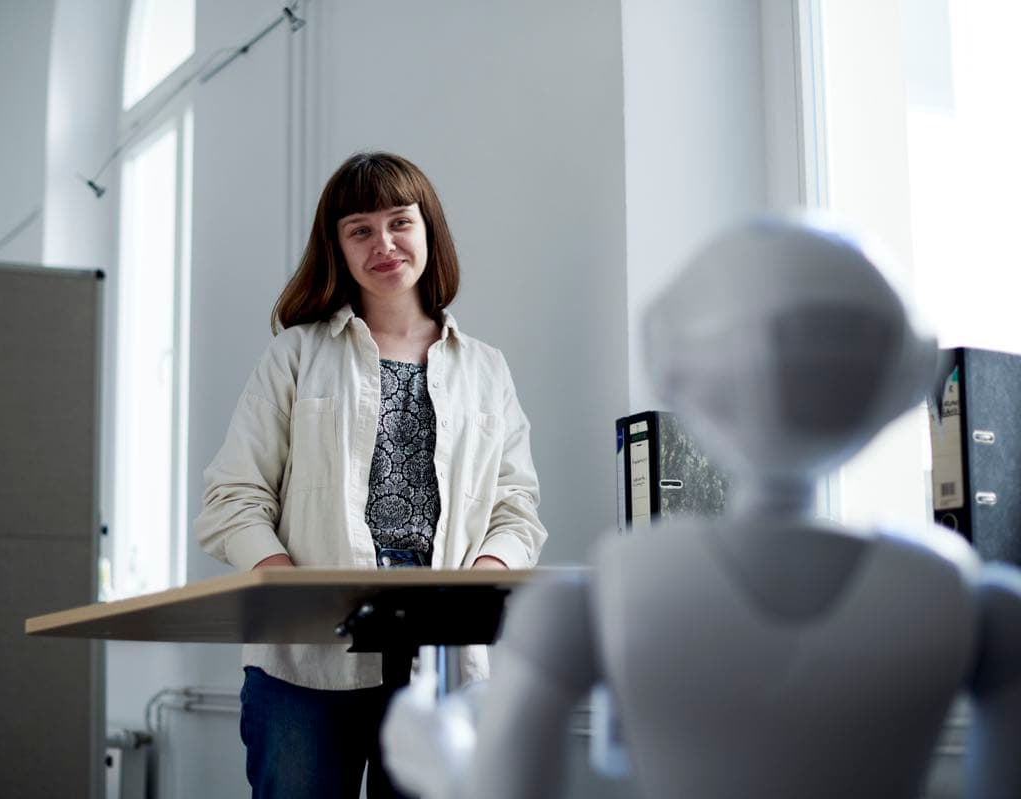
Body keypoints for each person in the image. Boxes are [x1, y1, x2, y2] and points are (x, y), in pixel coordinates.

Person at [380, 214, 1021, 799]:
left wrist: (436, 753)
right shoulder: (971, 601)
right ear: (907, 382)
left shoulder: (591, 601)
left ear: (672, 370)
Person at [193, 151, 548, 799]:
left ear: (428, 230)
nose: (382, 243)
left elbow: (517, 507)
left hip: (439, 664)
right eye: (359, 229)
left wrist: (483, 580)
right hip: (305, 663)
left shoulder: (486, 370)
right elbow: (232, 498)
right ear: (337, 247)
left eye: (399, 222)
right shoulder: (294, 356)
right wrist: (289, 584)